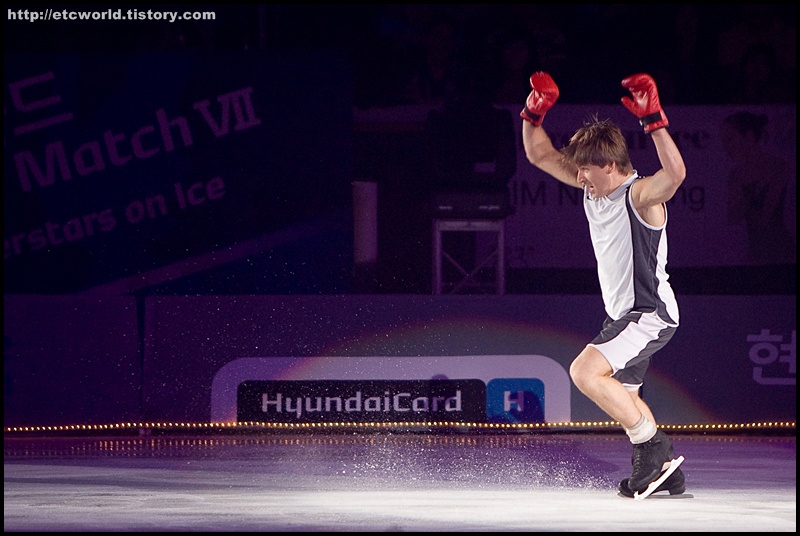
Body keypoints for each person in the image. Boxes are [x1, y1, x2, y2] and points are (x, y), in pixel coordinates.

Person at [520, 72, 687, 497]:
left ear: (611, 166)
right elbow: (539, 155)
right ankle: (664, 466)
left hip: (648, 315)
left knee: (583, 371)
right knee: (624, 396)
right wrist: (533, 110)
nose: (579, 179)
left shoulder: (640, 196)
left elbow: (676, 175)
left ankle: (651, 447)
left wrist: (654, 120)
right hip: (624, 316)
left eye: (587, 171)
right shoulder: (593, 190)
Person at [721, 111, 796, 264]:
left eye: (730, 139)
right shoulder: (736, 176)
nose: (726, 146)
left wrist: (750, 197)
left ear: (748, 136)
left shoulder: (778, 167)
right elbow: (733, 218)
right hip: (754, 252)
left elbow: (765, 216)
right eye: (724, 141)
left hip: (781, 251)